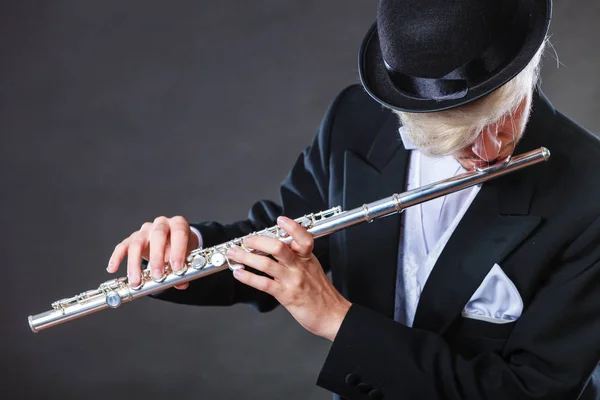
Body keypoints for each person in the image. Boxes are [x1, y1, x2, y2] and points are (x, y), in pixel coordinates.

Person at [106, 0, 600, 398]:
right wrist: (182, 251)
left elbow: (534, 390)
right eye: (463, 140)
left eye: (501, 117)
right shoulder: (356, 121)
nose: (491, 151)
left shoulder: (590, 191)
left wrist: (338, 320)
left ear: (525, 70)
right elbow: (277, 246)